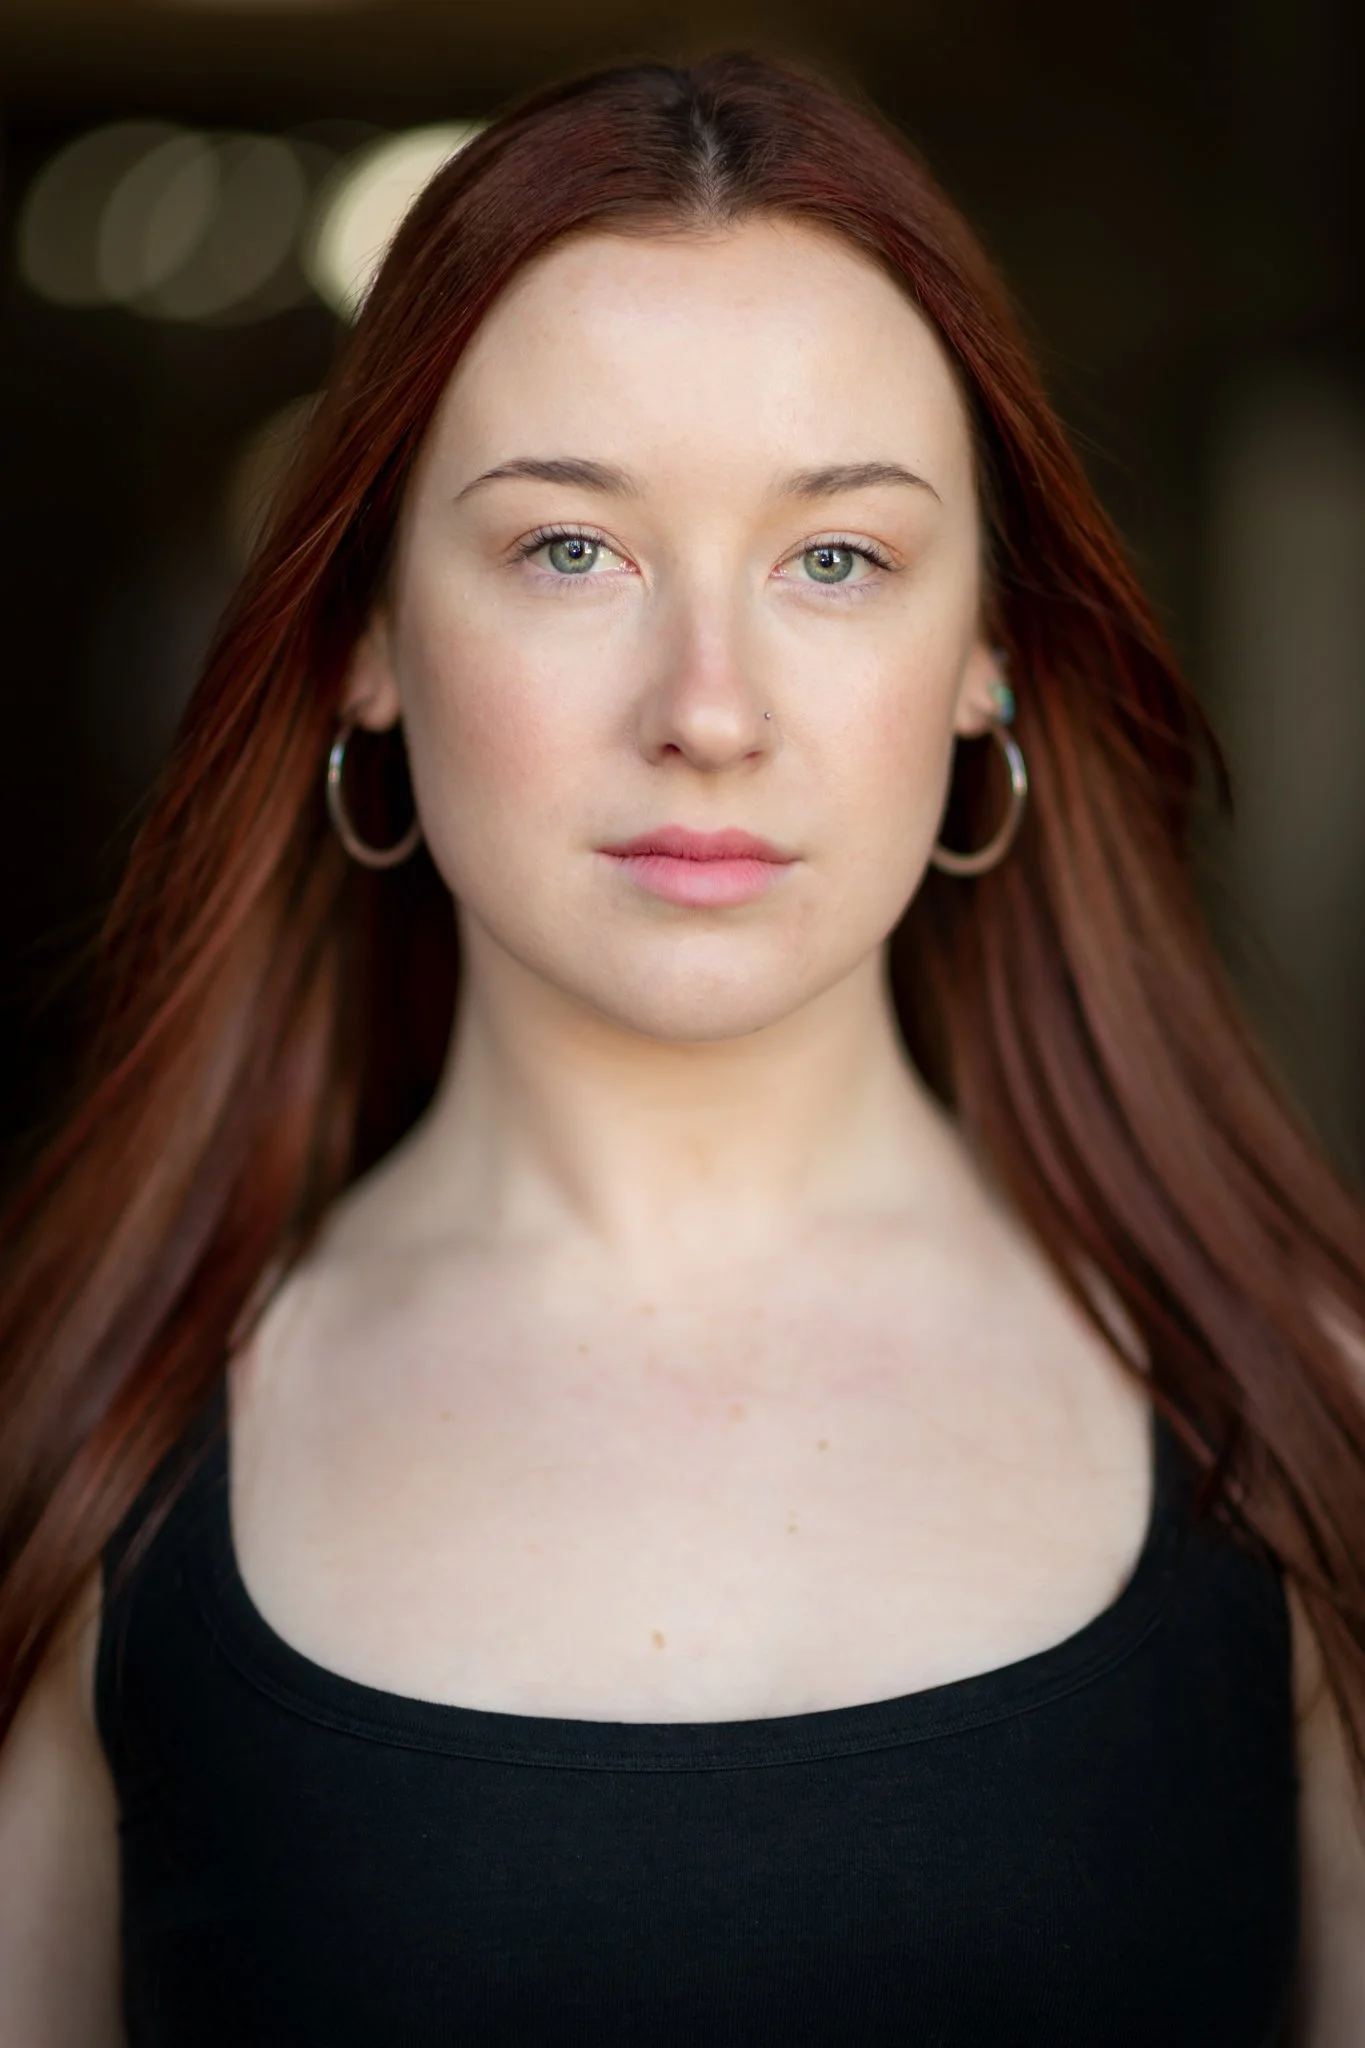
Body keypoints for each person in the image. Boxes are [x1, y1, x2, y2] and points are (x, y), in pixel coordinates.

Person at [1, 51, 1363, 2047]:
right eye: (570, 548)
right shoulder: (88, 1447)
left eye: (838, 557)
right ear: (365, 632)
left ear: (990, 646)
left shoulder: (1304, 1409)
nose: (709, 707)